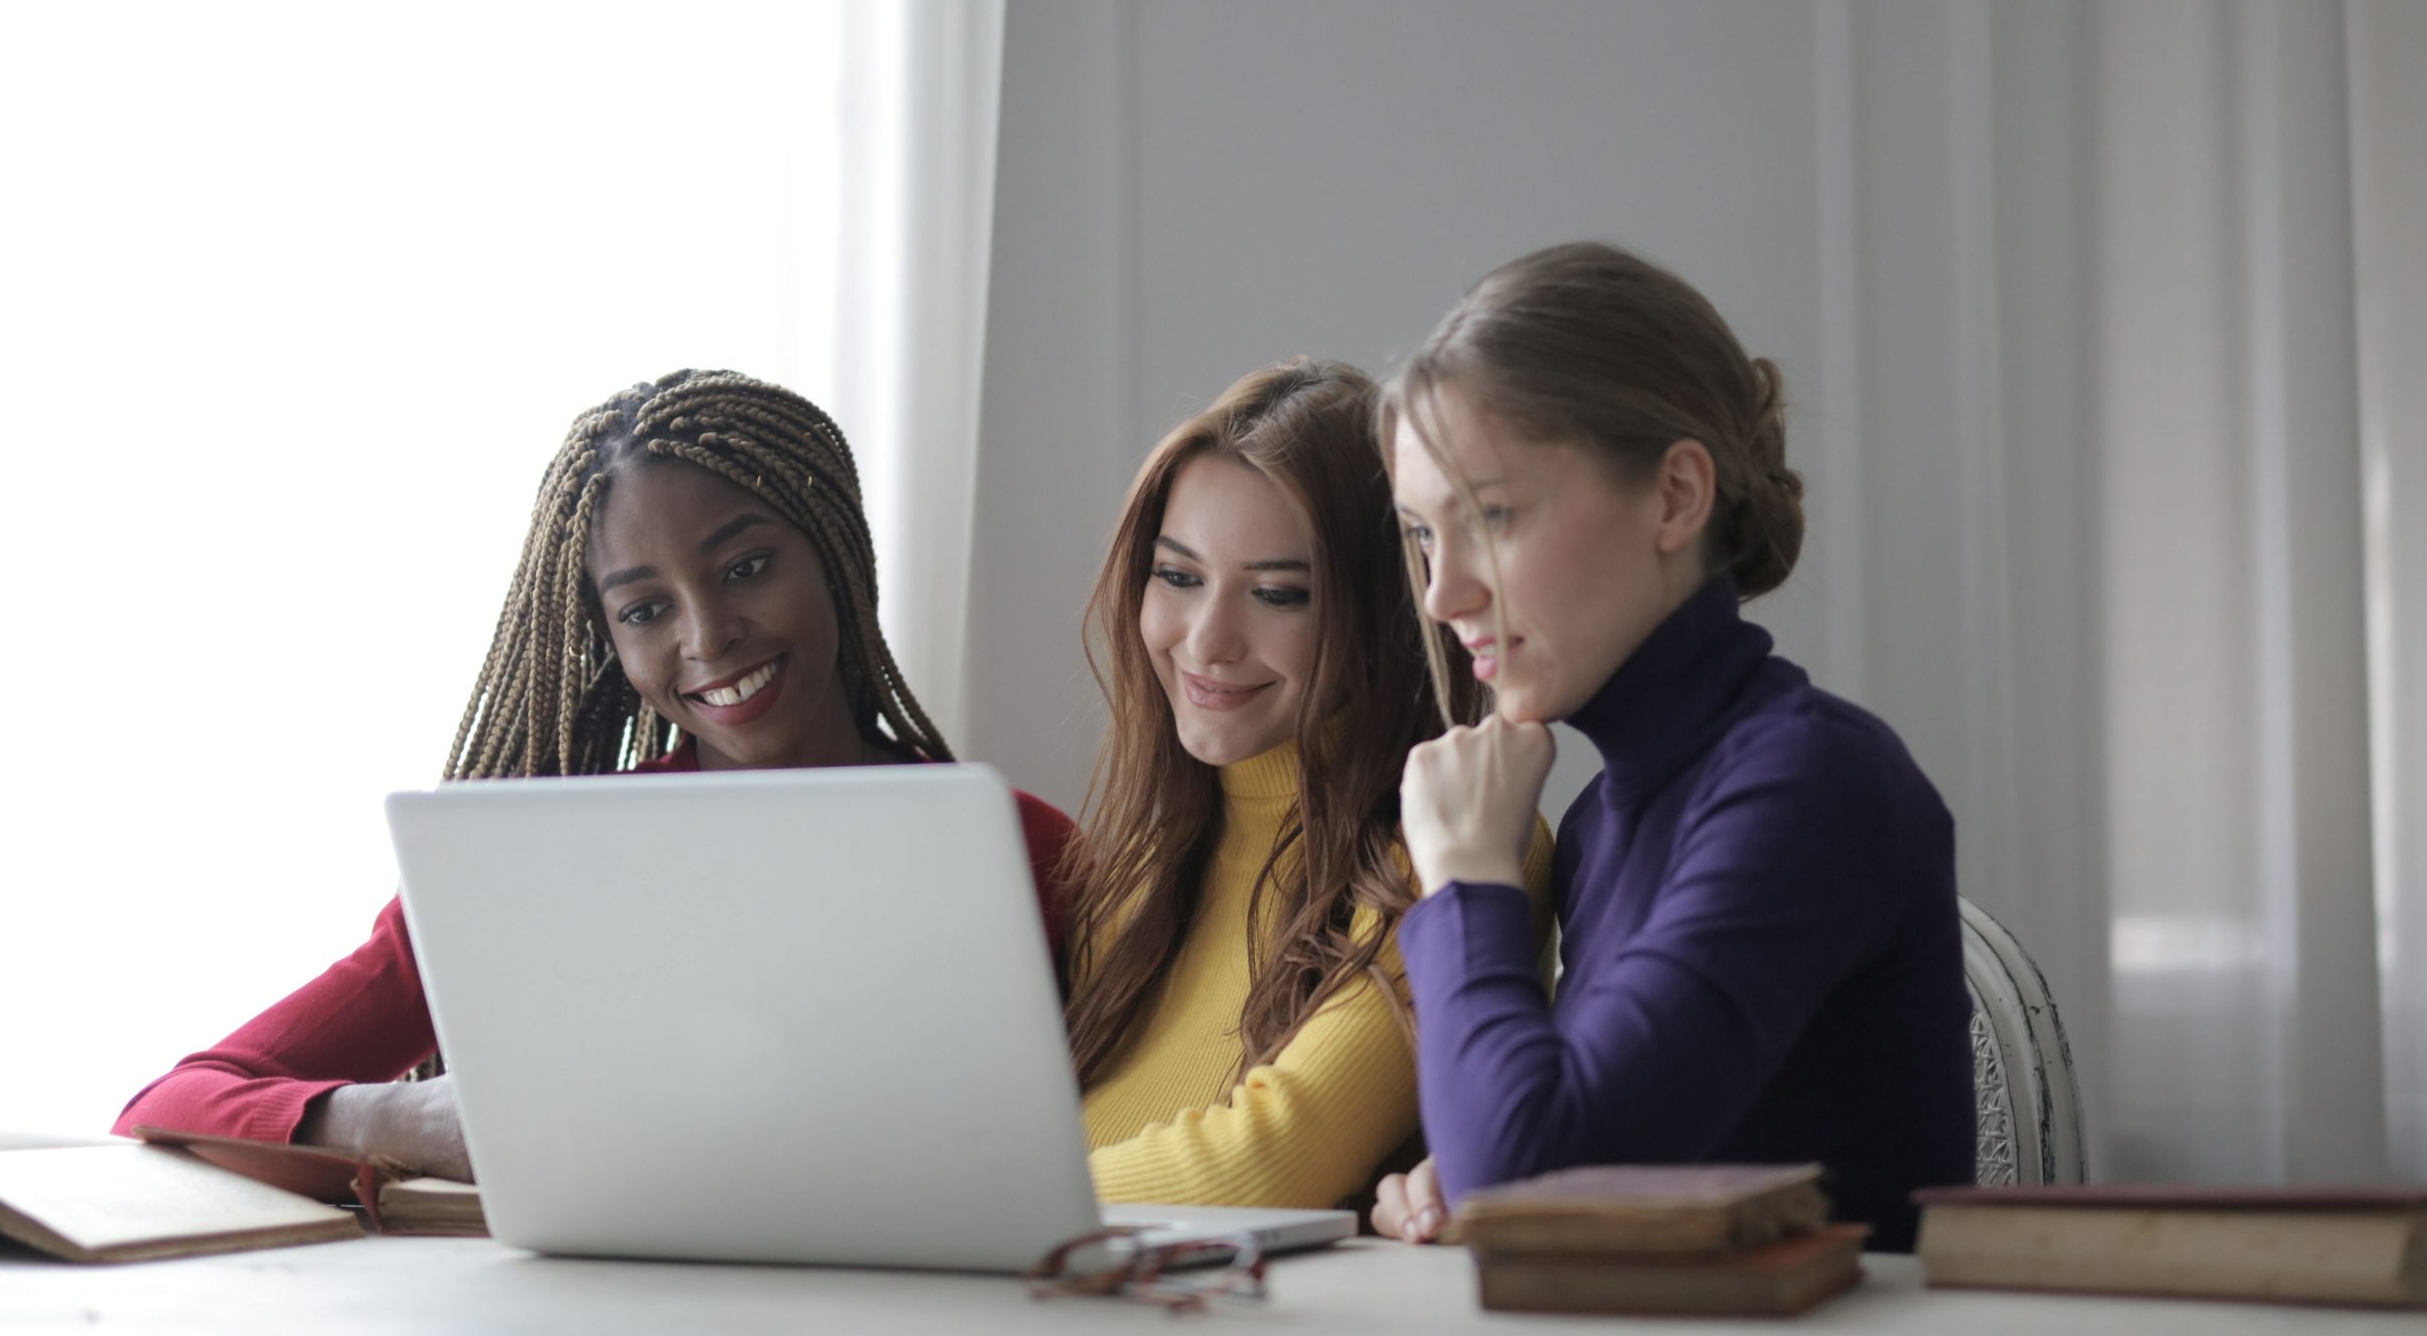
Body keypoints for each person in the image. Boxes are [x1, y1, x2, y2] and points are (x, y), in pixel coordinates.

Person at [116, 370, 1078, 1177]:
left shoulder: (1028, 851)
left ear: (834, 553)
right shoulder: (524, 865)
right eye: (645, 610)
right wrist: (409, 1124)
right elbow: (174, 1105)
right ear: (609, 640)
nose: (707, 635)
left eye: (745, 568)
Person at [1372, 243, 1973, 1252]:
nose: (1442, 594)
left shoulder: (1810, 784)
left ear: (1675, 496)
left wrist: (1468, 878)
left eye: (1490, 515)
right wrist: (1462, 1157)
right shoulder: (1601, 820)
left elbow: (1529, 1175)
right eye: (1422, 534)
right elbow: (1560, 1152)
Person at [1061, 360, 1551, 1210]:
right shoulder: (1140, 862)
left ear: (1382, 617)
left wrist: (957, 1199)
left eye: (1278, 594)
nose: (1207, 640)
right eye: (1179, 577)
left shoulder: (1449, 845)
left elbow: (1263, 1166)